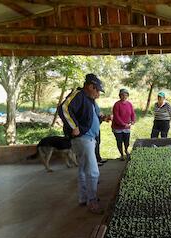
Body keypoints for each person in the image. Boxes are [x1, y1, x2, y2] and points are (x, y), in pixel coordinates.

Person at [58, 73, 104, 214]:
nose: (98, 94)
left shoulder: (89, 99)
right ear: (90, 87)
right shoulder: (78, 94)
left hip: (89, 139)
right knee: (93, 171)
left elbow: (95, 115)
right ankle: (92, 201)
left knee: (83, 170)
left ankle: (84, 198)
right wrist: (74, 127)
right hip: (83, 139)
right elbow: (63, 108)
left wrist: (104, 117)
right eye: (97, 90)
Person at [111, 88, 136, 161]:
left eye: (125, 95)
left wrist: (133, 120)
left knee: (127, 141)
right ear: (120, 96)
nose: (124, 96)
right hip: (117, 127)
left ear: (127, 95)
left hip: (127, 127)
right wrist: (123, 124)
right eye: (122, 95)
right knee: (119, 141)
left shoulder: (129, 104)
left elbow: (132, 113)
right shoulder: (117, 104)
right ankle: (121, 154)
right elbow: (116, 116)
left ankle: (126, 150)